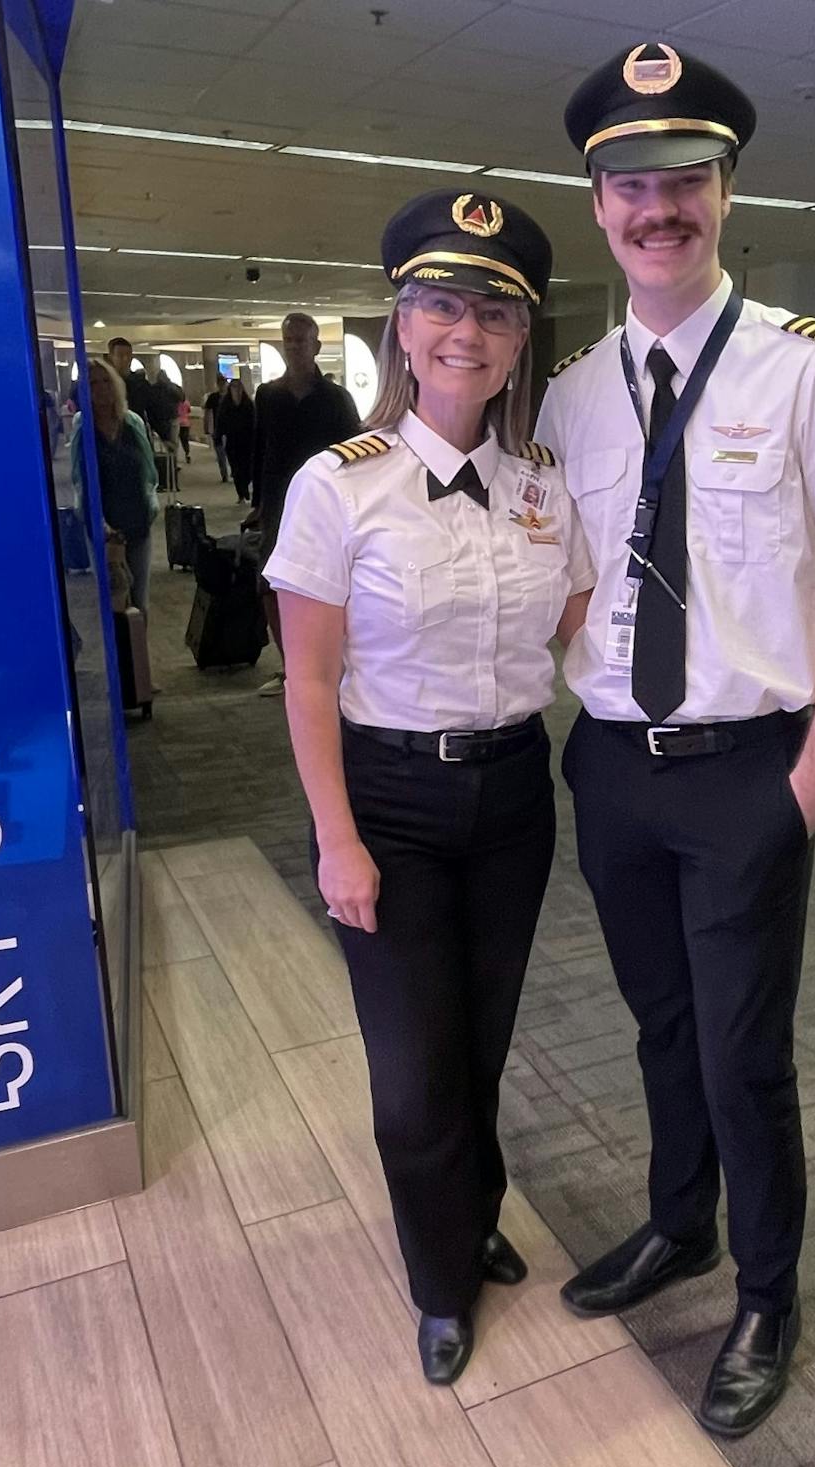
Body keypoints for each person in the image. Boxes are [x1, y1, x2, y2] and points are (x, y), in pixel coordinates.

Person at [536, 44, 815, 1438]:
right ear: (597, 205)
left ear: (726, 191)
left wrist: (813, 780)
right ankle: (677, 1222)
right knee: (659, 1024)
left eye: (684, 180)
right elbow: (576, 579)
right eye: (631, 185)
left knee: (745, 1048)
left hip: (753, 768)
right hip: (615, 766)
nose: (659, 207)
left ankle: (768, 1286)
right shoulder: (576, 390)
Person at [264, 190, 594, 1387]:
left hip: (511, 797)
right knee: (411, 1080)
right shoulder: (335, 487)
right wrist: (333, 839)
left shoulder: (548, 485)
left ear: (520, 339)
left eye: (494, 312)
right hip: (388, 800)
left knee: (482, 1045)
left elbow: (576, 624)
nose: (467, 331)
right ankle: (437, 1281)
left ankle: (470, 1217)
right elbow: (306, 681)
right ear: (401, 324)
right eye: (442, 304)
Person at [248, 313, 359, 697]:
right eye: (288, 340)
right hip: (280, 501)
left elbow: (353, 454)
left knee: (329, 583)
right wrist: (258, 501)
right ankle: (290, 666)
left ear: (316, 346)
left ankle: (334, 662)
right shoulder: (268, 395)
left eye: (301, 340)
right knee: (273, 583)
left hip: (326, 503)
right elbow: (261, 448)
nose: (293, 347)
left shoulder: (336, 398)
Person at [71, 357, 159, 615]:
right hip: (104, 529)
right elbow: (81, 481)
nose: (101, 388)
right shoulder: (83, 428)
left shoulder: (132, 425)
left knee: (139, 603)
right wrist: (100, 524)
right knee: (114, 604)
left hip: (138, 523)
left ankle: (139, 655)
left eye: (106, 381)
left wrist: (150, 507)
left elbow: (147, 472)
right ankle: (121, 655)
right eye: (93, 383)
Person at [217, 376, 255, 503]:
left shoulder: (248, 404)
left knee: (247, 467)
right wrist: (218, 437)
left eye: (238, 387)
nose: (236, 391)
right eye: (233, 388)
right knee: (236, 468)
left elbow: (255, 421)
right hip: (232, 441)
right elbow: (220, 421)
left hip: (247, 441)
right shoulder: (225, 405)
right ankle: (241, 493)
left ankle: (245, 487)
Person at [106, 336, 151, 426]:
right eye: (120, 355)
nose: (125, 359)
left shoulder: (140, 384)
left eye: (128, 355)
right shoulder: (104, 383)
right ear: (111, 357)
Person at [148, 369, 182, 457]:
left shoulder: (153, 389)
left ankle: (168, 461)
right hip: (172, 417)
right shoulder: (173, 387)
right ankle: (173, 461)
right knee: (173, 441)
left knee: (163, 441)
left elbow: (150, 404)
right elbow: (181, 397)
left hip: (158, 419)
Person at [203, 376, 230, 483]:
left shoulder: (228, 397)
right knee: (220, 453)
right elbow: (208, 413)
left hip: (229, 430)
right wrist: (207, 427)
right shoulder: (213, 397)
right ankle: (224, 474)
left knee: (228, 452)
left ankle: (230, 472)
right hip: (217, 429)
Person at [176, 392, 192, 464]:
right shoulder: (187, 403)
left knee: (177, 440)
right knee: (185, 440)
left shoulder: (176, 403)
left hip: (178, 423)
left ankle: (176, 456)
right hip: (186, 423)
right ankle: (187, 453)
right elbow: (189, 411)